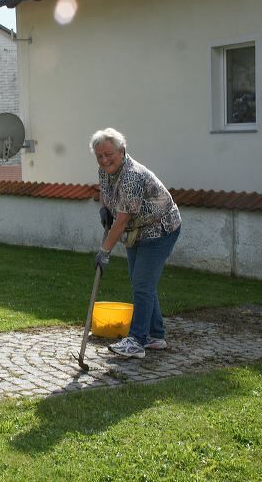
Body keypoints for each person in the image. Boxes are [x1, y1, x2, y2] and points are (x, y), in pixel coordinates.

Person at [91, 128, 181, 359]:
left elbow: (121, 222)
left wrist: (104, 252)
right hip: (137, 231)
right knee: (142, 282)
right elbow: (106, 192)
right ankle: (155, 336)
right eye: (99, 156)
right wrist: (104, 208)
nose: (104, 160)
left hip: (160, 229)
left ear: (122, 151)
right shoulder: (105, 171)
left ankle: (137, 341)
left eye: (109, 154)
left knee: (142, 284)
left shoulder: (132, 176)